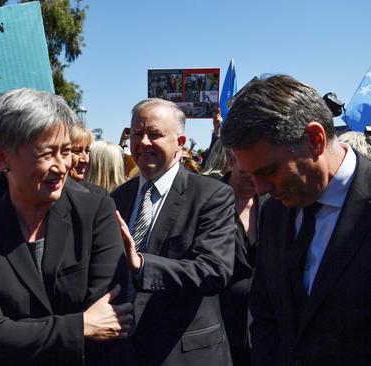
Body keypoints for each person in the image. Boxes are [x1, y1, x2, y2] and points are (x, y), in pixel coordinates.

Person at [0, 89, 136, 365]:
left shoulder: (95, 212)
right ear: (2, 157)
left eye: (65, 151)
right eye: (46, 153)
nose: (61, 166)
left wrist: (24, 333)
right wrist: (80, 326)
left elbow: (113, 322)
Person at [221, 75, 371, 366]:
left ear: (315, 140)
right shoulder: (275, 210)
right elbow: (265, 314)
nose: (260, 189)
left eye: (268, 171)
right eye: (250, 175)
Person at [111, 98, 235, 366]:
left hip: (185, 353)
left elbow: (213, 270)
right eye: (136, 134)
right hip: (126, 352)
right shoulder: (117, 198)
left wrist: (142, 265)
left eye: (154, 134)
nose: (143, 142)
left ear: (180, 142)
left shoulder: (212, 195)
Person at [218, 148, 269, 366]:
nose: (255, 177)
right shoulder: (208, 201)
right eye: (248, 170)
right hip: (220, 328)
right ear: (231, 159)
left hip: (265, 329)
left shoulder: (274, 202)